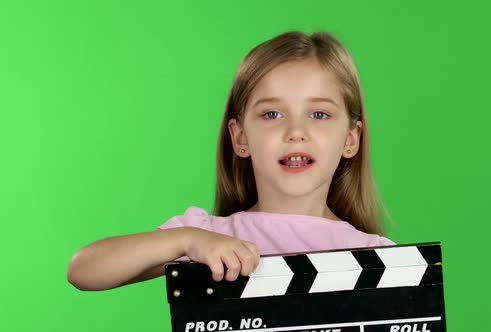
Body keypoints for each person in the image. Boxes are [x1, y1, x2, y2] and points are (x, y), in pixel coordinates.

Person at [67, 30, 396, 292]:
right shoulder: (209, 236)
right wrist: (187, 240)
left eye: (319, 114)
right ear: (240, 138)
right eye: (272, 114)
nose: (296, 131)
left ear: (351, 139)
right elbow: (84, 270)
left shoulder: (379, 255)